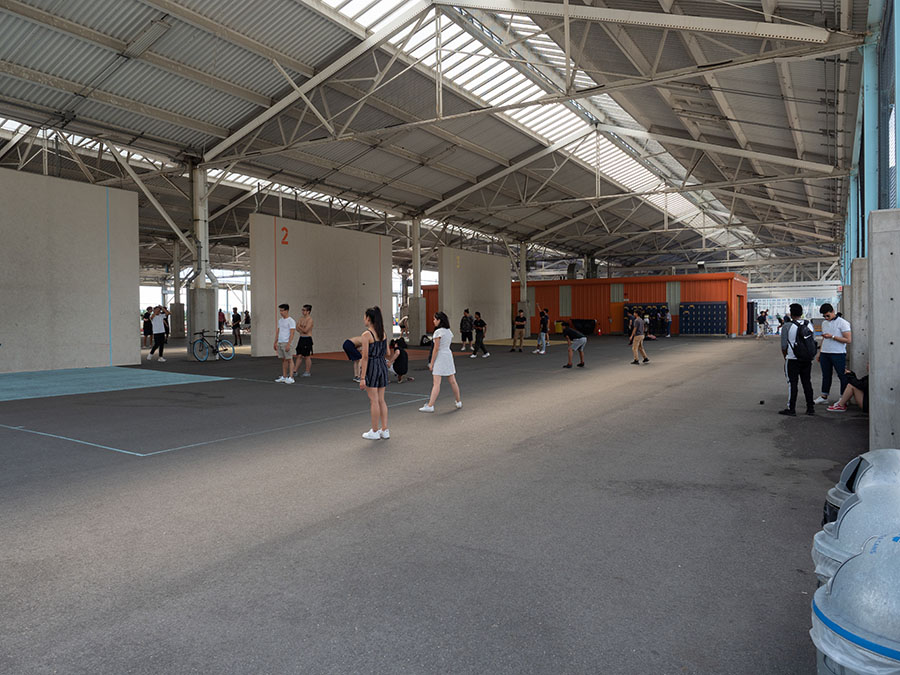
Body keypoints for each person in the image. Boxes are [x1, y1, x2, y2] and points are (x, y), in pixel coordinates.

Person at [420, 311, 462, 412]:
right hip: (448, 355)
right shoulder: (448, 331)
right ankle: (458, 401)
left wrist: (432, 362)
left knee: (436, 383)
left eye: (435, 319)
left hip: (440, 357)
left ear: (439, 320)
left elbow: (436, 348)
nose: (433, 321)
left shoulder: (438, 332)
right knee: (452, 380)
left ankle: (430, 405)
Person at [359, 306, 389, 440]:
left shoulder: (366, 335)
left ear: (369, 318)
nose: (364, 319)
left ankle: (375, 430)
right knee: (381, 400)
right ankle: (385, 429)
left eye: (365, 317)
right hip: (382, 365)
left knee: (374, 401)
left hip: (372, 366)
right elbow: (388, 353)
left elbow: (365, 357)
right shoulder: (383, 333)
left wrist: (362, 377)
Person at [779, 303, 815, 416]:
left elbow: (783, 346)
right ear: (801, 313)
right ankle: (810, 408)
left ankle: (791, 408)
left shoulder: (787, 326)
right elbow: (812, 343)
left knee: (792, 384)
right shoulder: (809, 325)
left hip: (792, 359)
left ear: (791, 314)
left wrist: (786, 357)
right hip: (806, 359)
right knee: (807, 382)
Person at [813, 303, 852, 405]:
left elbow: (848, 340)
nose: (826, 318)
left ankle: (843, 398)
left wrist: (833, 337)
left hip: (838, 353)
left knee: (842, 375)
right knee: (826, 375)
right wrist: (820, 353)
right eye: (824, 316)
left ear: (833, 312)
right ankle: (824, 396)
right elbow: (823, 339)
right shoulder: (824, 323)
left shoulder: (843, 323)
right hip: (825, 353)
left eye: (827, 315)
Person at [273, 303, 296, 384]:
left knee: (290, 359)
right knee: (283, 360)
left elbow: (292, 333)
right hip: (280, 342)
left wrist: (289, 344)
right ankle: (284, 376)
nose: (281, 312)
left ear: (287, 311)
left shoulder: (291, 321)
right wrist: (275, 342)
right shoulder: (280, 320)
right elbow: (278, 331)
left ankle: (291, 377)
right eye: (280, 311)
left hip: (286, 342)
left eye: (282, 310)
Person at [292, 304, 314, 378]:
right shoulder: (301, 318)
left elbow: (306, 330)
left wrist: (300, 327)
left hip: (307, 338)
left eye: (304, 310)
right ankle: (294, 371)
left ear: (308, 311)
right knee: (299, 355)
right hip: (301, 338)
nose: (303, 311)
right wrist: (300, 328)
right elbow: (297, 328)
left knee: (307, 356)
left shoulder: (310, 320)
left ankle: (307, 371)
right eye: (302, 310)